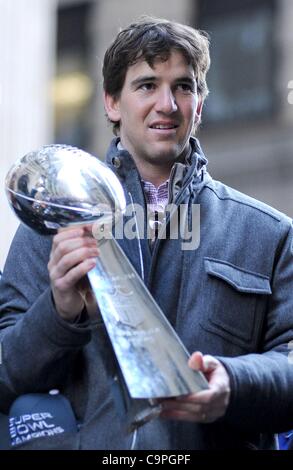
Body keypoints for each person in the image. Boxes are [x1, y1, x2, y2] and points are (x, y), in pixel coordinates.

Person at [1, 16, 293, 450]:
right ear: (112, 103)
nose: (167, 104)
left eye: (183, 86)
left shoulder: (269, 234)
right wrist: (60, 312)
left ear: (200, 104)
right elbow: (6, 376)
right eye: (146, 85)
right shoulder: (55, 224)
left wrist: (235, 383)